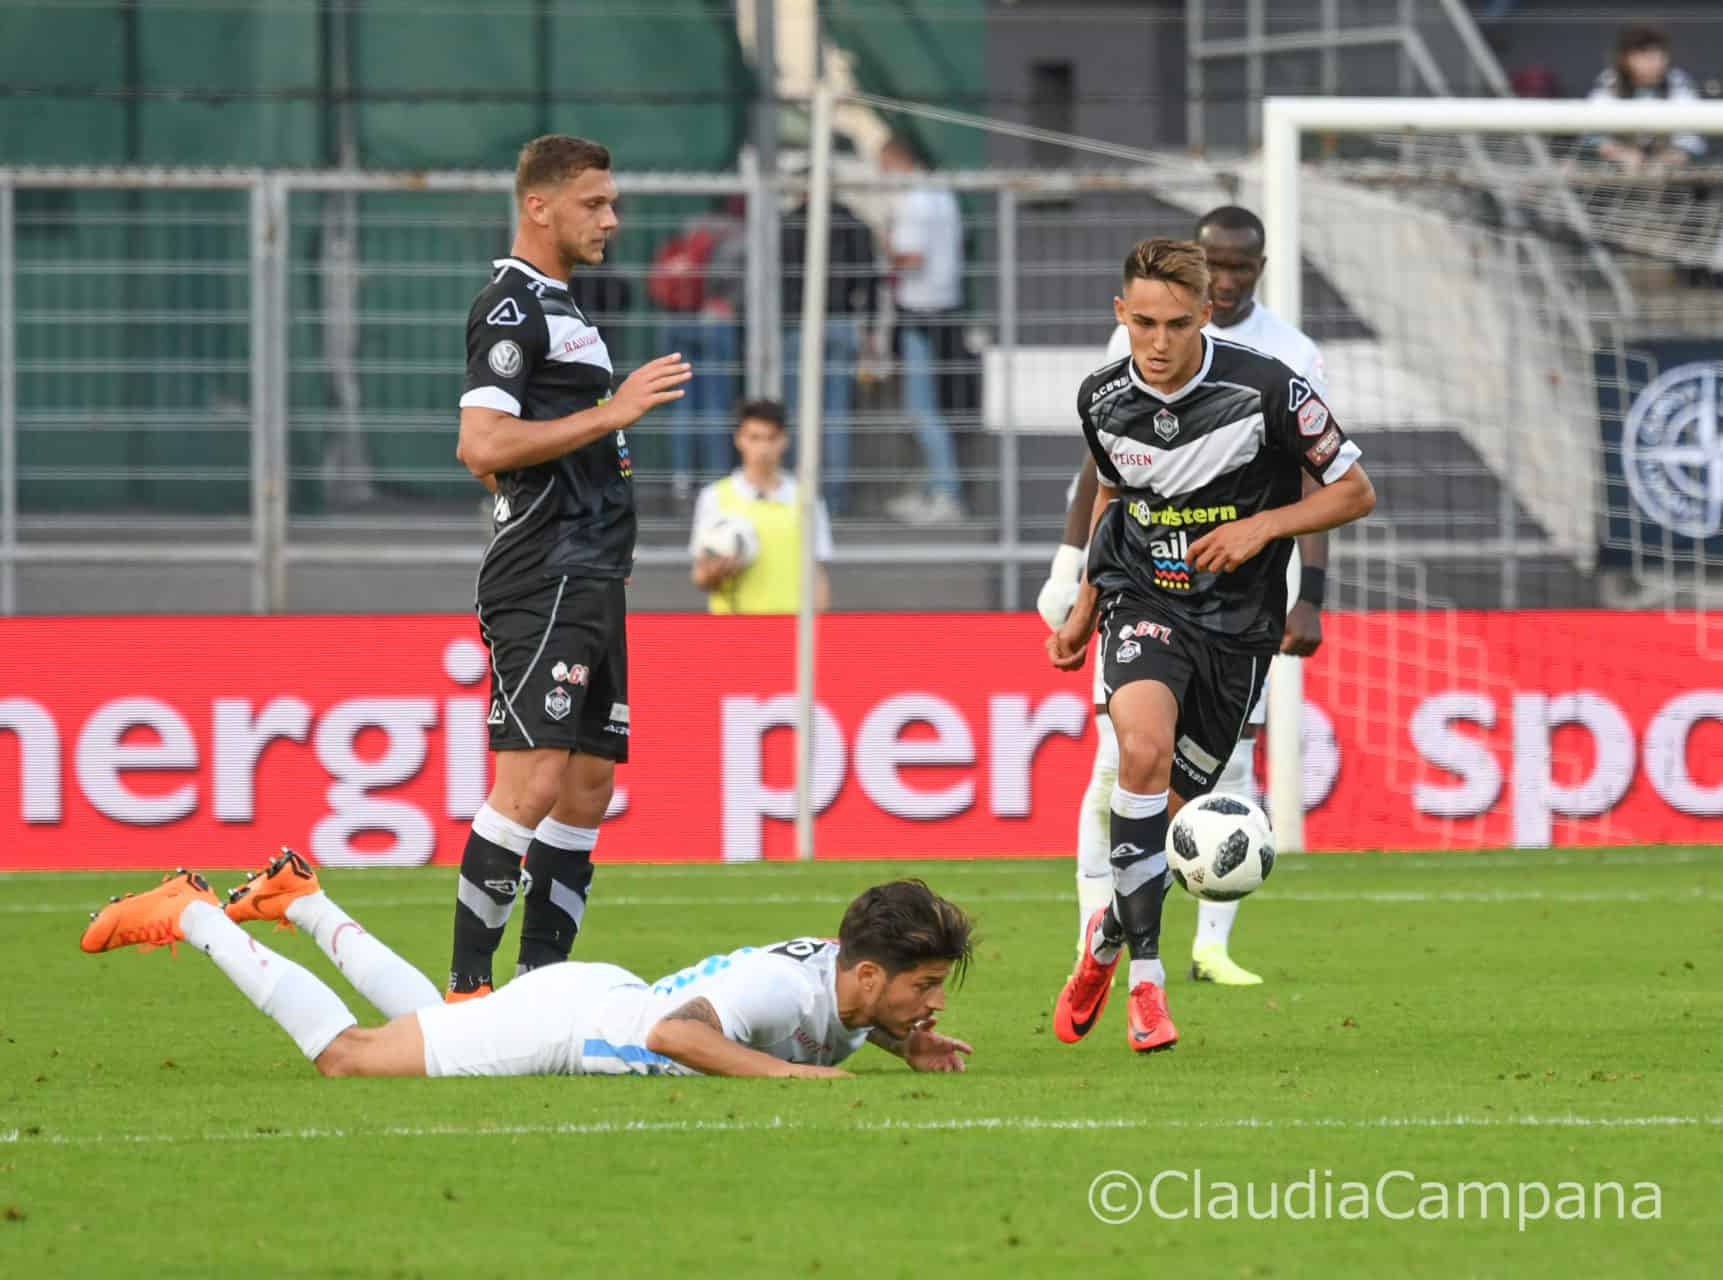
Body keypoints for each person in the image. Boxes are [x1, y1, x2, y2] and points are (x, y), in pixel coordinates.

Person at [1048, 238, 1374, 1054]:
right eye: (1142, 323)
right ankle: (1146, 986)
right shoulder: (1100, 398)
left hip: (1236, 625)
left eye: (1176, 324)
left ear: (1205, 317)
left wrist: (1261, 528)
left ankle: (1106, 942)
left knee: (1171, 816)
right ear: (1120, 314)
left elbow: (1353, 491)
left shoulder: (1268, 389)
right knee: (1138, 754)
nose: (1157, 343)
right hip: (1143, 599)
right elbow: (1115, 497)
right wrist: (1086, 604)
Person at [451, 134, 691, 1001]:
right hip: (545, 572)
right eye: (593, 203)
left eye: (611, 202)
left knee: (587, 788)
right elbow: (480, 444)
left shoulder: (563, 307)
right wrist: (611, 414)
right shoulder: (511, 305)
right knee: (532, 781)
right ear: (538, 206)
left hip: (591, 571)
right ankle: (468, 990)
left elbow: (504, 457)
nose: (611, 219)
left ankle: (539, 988)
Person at [79, 853, 976, 1080]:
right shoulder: (780, 988)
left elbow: (828, 1018)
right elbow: (676, 1036)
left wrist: (904, 1044)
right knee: (349, 1057)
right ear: (868, 976)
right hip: (570, 1027)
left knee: (437, 1020)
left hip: (595, 995)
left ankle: (301, 901)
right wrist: (792, 1079)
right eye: (924, 985)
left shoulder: (846, 986)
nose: (932, 1000)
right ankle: (193, 913)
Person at [880, 135, 966, 525]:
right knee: (933, 405)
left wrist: (886, 248)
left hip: (920, 312)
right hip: (945, 307)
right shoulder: (943, 195)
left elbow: (911, 256)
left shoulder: (914, 202)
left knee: (921, 409)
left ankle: (945, 491)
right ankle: (934, 487)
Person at [689, 398, 834, 614]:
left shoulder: (807, 499)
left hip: (790, 624)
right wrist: (715, 573)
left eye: (771, 438)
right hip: (733, 627)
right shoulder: (714, 497)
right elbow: (700, 576)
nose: (763, 448)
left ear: (784, 441)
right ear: (739, 439)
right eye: (754, 438)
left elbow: (817, 573)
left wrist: (819, 625)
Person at [782, 194, 878, 516]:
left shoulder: (789, 223)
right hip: (840, 320)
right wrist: (870, 328)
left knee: (796, 410)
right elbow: (869, 278)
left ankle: (797, 495)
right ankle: (835, 500)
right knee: (837, 413)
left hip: (797, 323)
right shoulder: (852, 222)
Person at [650, 198, 746, 503]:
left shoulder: (687, 232)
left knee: (682, 405)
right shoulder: (736, 234)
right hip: (715, 321)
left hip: (676, 321)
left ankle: (682, 478)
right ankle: (715, 479)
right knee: (715, 405)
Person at [1586, 25, 1707, 173]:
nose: (1655, 62)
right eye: (1644, 55)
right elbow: (1593, 134)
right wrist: (1621, 154)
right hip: (1619, 171)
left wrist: (1667, 159)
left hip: (1668, 171)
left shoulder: (1677, 81)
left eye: (1659, 55)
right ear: (1625, 58)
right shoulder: (1610, 82)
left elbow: (1692, 138)